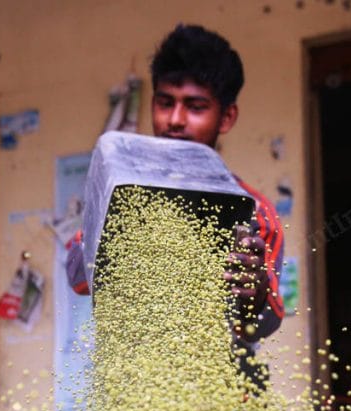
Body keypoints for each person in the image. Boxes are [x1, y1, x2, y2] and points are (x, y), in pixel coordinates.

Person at [65, 24, 285, 388]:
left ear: (227, 117)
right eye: (165, 103)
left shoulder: (254, 212)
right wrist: (108, 239)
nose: (175, 120)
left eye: (196, 107)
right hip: (132, 388)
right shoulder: (124, 193)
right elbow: (77, 277)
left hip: (223, 393)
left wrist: (255, 291)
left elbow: (262, 323)